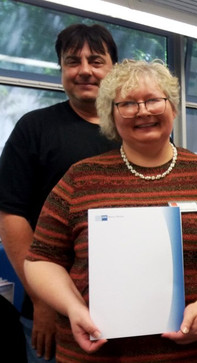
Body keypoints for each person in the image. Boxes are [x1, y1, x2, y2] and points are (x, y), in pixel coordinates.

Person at [23, 59, 197, 362]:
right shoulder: (81, 178)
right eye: (128, 104)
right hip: (100, 354)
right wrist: (73, 308)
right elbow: (41, 259)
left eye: (153, 100)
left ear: (172, 107)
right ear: (111, 114)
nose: (143, 111)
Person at [0, 23, 119, 362]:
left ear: (113, 69)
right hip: (54, 308)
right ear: (62, 69)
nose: (84, 70)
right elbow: (12, 215)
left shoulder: (137, 129)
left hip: (129, 304)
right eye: (72, 61)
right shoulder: (34, 128)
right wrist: (43, 300)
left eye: (96, 61)